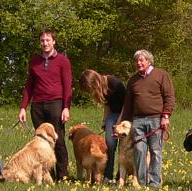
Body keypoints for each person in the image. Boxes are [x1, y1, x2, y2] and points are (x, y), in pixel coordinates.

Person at [17, 30, 73, 181]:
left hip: (56, 104)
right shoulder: (34, 61)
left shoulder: (63, 61)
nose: (45, 43)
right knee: (41, 142)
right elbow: (29, 86)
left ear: (54, 42)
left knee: (58, 140)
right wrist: (23, 107)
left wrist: (66, 107)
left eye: (48, 40)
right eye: (42, 40)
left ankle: (62, 176)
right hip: (38, 106)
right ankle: (48, 176)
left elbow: (67, 86)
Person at [118, 49, 175, 188]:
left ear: (149, 61)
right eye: (136, 60)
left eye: (141, 60)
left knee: (155, 151)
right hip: (138, 120)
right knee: (139, 150)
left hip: (156, 119)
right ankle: (141, 183)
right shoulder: (133, 80)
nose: (138, 63)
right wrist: (121, 122)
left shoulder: (161, 75)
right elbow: (128, 104)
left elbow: (169, 97)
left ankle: (155, 182)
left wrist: (165, 116)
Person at [80, 68, 125, 182]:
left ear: (94, 83)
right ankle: (108, 176)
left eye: (89, 88)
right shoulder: (103, 88)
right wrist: (105, 121)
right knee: (109, 146)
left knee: (123, 147)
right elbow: (108, 105)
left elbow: (127, 104)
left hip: (125, 115)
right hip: (113, 115)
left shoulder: (114, 83)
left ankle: (121, 176)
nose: (90, 92)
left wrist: (118, 123)